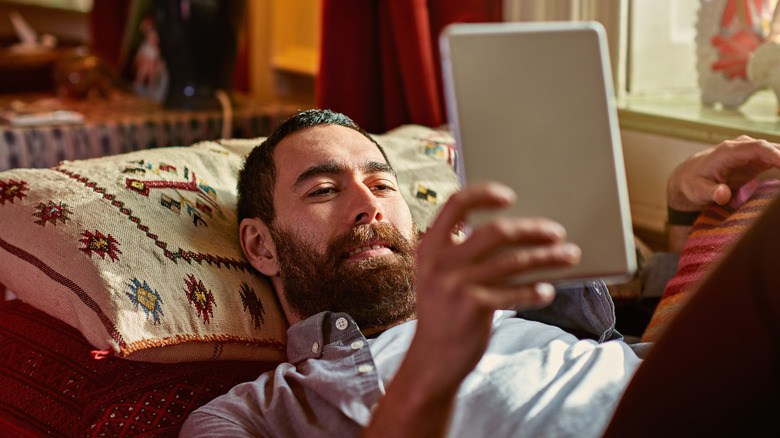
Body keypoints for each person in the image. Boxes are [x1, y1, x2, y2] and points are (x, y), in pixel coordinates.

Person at [180, 110, 780, 437]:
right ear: (260, 245)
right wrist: (432, 362)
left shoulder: (515, 299)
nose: (367, 204)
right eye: (325, 190)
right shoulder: (251, 414)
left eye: (383, 184)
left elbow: (669, 346)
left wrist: (681, 212)